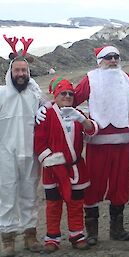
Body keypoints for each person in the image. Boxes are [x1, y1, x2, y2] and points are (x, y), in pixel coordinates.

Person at [73, 46, 129, 244]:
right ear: (100, 60)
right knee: (94, 184)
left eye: (116, 57)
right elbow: (72, 97)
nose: (113, 61)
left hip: (122, 141)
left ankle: (117, 229)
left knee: (120, 184)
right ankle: (92, 232)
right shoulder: (91, 78)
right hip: (98, 142)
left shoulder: (126, 78)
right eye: (108, 57)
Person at [34, 77, 98, 253]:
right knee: (53, 204)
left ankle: (77, 234)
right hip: (53, 170)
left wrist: (82, 119)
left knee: (76, 204)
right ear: (56, 95)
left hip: (76, 168)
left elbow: (92, 131)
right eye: (63, 93)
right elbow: (39, 143)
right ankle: (52, 237)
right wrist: (53, 161)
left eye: (70, 93)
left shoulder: (77, 113)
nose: (67, 96)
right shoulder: (46, 114)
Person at [0, 44, 43, 256]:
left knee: (29, 195)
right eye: (17, 70)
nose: (20, 74)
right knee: (6, 196)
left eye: (24, 71)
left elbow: (49, 112)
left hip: (30, 154)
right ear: (10, 72)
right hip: (5, 155)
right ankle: (7, 238)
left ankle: (30, 234)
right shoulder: (1, 94)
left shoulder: (35, 96)